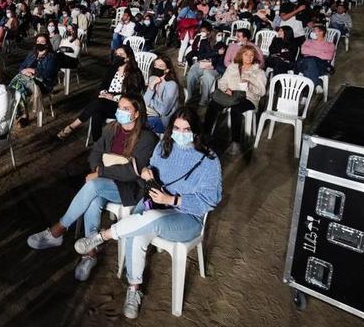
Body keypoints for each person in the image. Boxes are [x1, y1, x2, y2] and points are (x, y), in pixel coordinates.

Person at [72, 108, 221, 319]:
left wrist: (173, 200)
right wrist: (146, 172)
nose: (181, 133)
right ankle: (134, 288)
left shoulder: (208, 160)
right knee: (138, 229)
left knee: (147, 219)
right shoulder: (164, 147)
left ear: (196, 132)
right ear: (171, 129)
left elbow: (210, 200)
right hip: (156, 205)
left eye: (186, 129)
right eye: (177, 128)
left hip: (188, 218)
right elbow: (150, 167)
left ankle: (101, 236)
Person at [27, 95, 158, 280]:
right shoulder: (111, 128)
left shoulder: (147, 137)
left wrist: (101, 173)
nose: (120, 111)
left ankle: (58, 230)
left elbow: (131, 172)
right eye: (119, 107)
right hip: (107, 182)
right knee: (93, 199)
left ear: (137, 114)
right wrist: (97, 168)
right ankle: (89, 253)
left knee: (94, 185)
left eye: (126, 108)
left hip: (130, 188)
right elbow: (96, 151)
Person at [56, 45, 145, 142]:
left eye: (121, 55)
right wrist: (104, 93)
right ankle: (97, 143)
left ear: (128, 58)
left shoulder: (134, 73)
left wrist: (112, 97)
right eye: (116, 54)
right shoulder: (113, 68)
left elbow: (132, 95)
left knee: (98, 104)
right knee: (97, 113)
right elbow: (103, 85)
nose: (117, 57)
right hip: (105, 100)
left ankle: (73, 126)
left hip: (122, 105)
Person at [203, 45, 267, 154]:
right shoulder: (232, 67)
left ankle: (235, 143)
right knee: (213, 104)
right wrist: (226, 89)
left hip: (248, 98)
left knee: (235, 109)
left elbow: (262, 91)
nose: (249, 57)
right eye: (246, 54)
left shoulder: (259, 72)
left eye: (251, 55)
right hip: (230, 95)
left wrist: (250, 85)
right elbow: (222, 82)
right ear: (240, 55)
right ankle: (205, 135)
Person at [11, 33, 59, 127]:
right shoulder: (32, 54)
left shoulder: (52, 57)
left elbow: (48, 74)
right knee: (19, 89)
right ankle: (23, 114)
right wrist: (25, 72)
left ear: (47, 44)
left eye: (42, 42)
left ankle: (22, 115)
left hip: (44, 83)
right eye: (37, 41)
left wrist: (32, 71)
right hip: (27, 80)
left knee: (18, 86)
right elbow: (22, 66)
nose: (39, 43)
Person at [185, 23, 225, 106]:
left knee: (207, 74)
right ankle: (190, 96)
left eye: (220, 35)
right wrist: (216, 53)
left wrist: (213, 65)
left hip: (214, 66)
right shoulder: (204, 42)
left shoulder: (222, 45)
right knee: (192, 71)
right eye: (217, 34)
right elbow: (200, 55)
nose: (218, 36)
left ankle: (204, 99)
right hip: (204, 62)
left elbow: (222, 60)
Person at [142, 56, 181, 133]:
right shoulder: (153, 78)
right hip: (153, 113)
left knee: (140, 125)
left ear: (167, 70)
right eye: (155, 65)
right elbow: (146, 101)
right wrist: (151, 86)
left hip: (165, 121)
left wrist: (151, 102)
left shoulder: (171, 85)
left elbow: (164, 111)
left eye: (161, 66)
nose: (157, 68)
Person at [295, 24, 335, 93]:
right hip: (304, 63)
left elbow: (328, 56)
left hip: (320, 66)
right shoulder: (308, 41)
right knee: (310, 61)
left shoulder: (330, 44)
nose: (312, 32)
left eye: (314, 31)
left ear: (321, 32)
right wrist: (321, 52)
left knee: (309, 68)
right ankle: (317, 84)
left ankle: (306, 95)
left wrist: (312, 53)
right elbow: (303, 51)